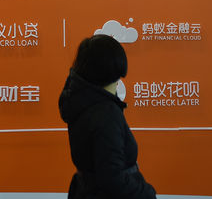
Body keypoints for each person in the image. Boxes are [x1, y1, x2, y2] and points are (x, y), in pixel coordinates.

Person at [58, 34, 157, 199]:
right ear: (113, 68)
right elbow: (113, 178)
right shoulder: (106, 113)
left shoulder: (79, 102)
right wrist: (146, 192)